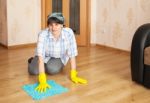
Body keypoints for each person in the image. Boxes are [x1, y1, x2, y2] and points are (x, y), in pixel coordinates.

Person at [28, 12, 88, 93]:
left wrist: (73, 74)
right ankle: (32, 61)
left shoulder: (69, 33)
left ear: (62, 25)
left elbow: (72, 54)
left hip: (58, 57)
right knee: (34, 71)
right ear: (48, 25)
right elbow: (41, 57)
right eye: (50, 25)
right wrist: (42, 78)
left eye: (56, 24)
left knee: (52, 70)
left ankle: (48, 66)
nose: (53, 28)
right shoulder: (42, 34)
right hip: (44, 56)